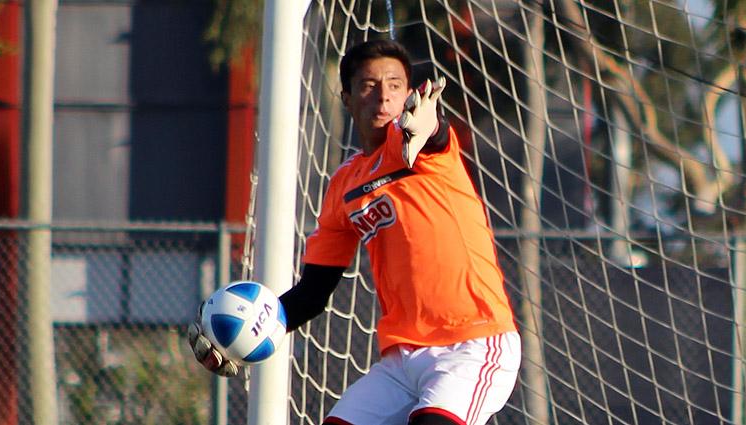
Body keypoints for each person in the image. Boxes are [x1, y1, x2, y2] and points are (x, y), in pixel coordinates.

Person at [188, 39, 520, 425]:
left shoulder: (421, 150)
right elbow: (312, 293)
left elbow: (436, 134)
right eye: (369, 85)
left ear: (409, 94)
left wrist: (430, 125)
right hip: (402, 362)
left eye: (395, 85)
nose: (383, 97)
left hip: (473, 344)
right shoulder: (345, 185)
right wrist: (243, 334)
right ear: (347, 98)